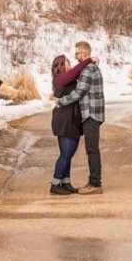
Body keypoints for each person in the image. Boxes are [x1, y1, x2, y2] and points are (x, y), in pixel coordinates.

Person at [53, 40, 104, 193]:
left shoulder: (88, 69)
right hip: (86, 115)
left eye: (77, 54)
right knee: (86, 150)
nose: (75, 57)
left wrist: (61, 101)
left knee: (92, 150)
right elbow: (73, 77)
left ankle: (95, 184)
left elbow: (78, 92)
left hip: (91, 114)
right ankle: (88, 182)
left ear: (84, 53)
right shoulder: (86, 68)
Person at [48, 54, 87, 195]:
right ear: (61, 66)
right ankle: (55, 184)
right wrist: (89, 60)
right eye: (68, 62)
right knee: (66, 154)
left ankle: (65, 182)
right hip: (64, 120)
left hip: (71, 119)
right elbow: (77, 70)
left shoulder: (66, 79)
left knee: (68, 154)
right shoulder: (62, 78)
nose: (70, 64)